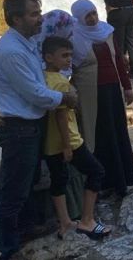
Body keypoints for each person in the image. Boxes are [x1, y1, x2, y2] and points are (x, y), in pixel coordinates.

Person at [0, 0, 79, 260]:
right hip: (18, 128)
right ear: (16, 19)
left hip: (29, 125)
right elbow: (35, 93)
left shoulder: (26, 42)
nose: (40, 18)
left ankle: (27, 229)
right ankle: (8, 249)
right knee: (13, 190)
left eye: (39, 12)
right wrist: (65, 97)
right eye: (33, 14)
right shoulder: (11, 51)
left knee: (28, 183)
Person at [40, 36, 111, 241]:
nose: (69, 59)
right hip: (69, 140)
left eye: (70, 55)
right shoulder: (61, 82)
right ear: (49, 57)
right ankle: (87, 220)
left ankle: (65, 222)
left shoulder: (43, 78)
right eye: (64, 56)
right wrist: (68, 146)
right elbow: (61, 115)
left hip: (50, 144)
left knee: (59, 179)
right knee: (96, 171)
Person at [70, 0, 133, 197]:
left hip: (113, 89)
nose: (92, 18)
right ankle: (101, 182)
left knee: (117, 131)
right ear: (78, 18)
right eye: (87, 16)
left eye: (93, 13)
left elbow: (118, 59)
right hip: (90, 94)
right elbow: (68, 67)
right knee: (97, 134)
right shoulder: (74, 37)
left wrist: (127, 87)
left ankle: (124, 178)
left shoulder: (106, 31)